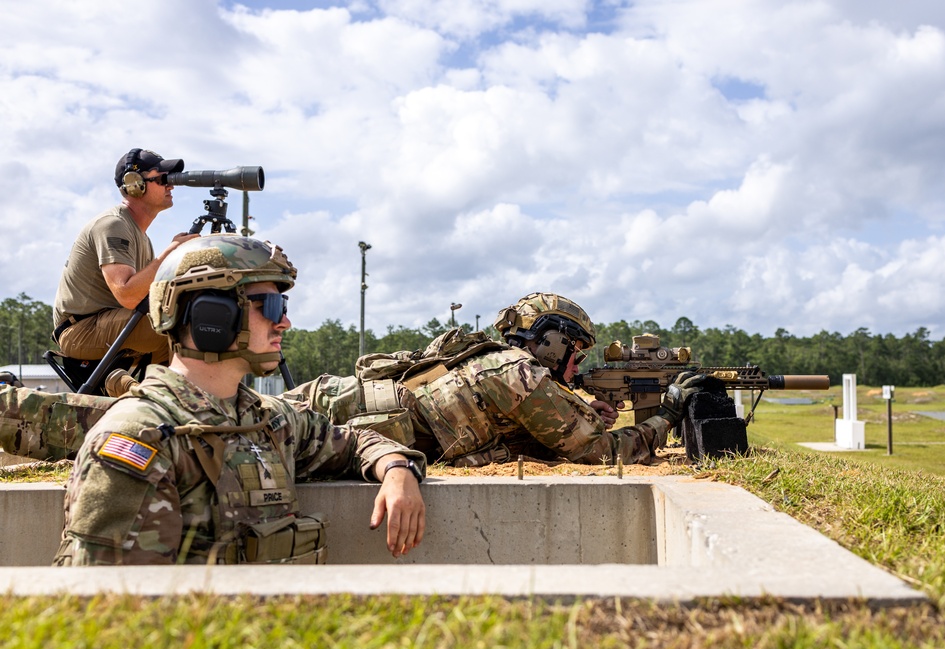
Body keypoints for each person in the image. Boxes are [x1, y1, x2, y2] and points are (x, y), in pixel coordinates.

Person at [52, 234, 427, 566]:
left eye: (284, 307)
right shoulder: (140, 437)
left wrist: (397, 471)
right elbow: (104, 614)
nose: (284, 323)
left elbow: (354, 441)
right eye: (270, 307)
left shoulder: (268, 420)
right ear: (211, 315)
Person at [298, 292, 709, 467]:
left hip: (340, 404)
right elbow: (599, 452)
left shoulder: (505, 363)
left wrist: (579, 411)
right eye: (577, 352)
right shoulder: (520, 374)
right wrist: (665, 419)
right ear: (552, 343)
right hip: (330, 412)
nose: (577, 365)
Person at [52, 148, 200, 365]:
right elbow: (128, 295)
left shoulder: (141, 237)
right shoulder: (113, 225)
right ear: (134, 184)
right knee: (178, 321)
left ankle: (156, 394)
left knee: (191, 315)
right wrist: (171, 254)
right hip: (80, 331)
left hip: (108, 323)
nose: (171, 185)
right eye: (162, 179)